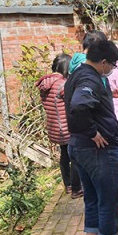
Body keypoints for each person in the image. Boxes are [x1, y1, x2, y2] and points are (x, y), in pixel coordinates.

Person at [63, 40, 118, 235]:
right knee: (109, 193)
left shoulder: (76, 74)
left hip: (78, 146)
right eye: (113, 64)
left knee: (92, 193)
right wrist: (92, 132)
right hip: (96, 149)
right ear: (104, 61)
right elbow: (79, 105)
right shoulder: (89, 77)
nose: (114, 68)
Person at [36, 53, 82, 199]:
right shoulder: (62, 85)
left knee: (64, 155)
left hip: (55, 127)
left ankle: (68, 185)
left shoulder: (46, 83)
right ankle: (76, 188)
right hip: (66, 127)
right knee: (74, 156)